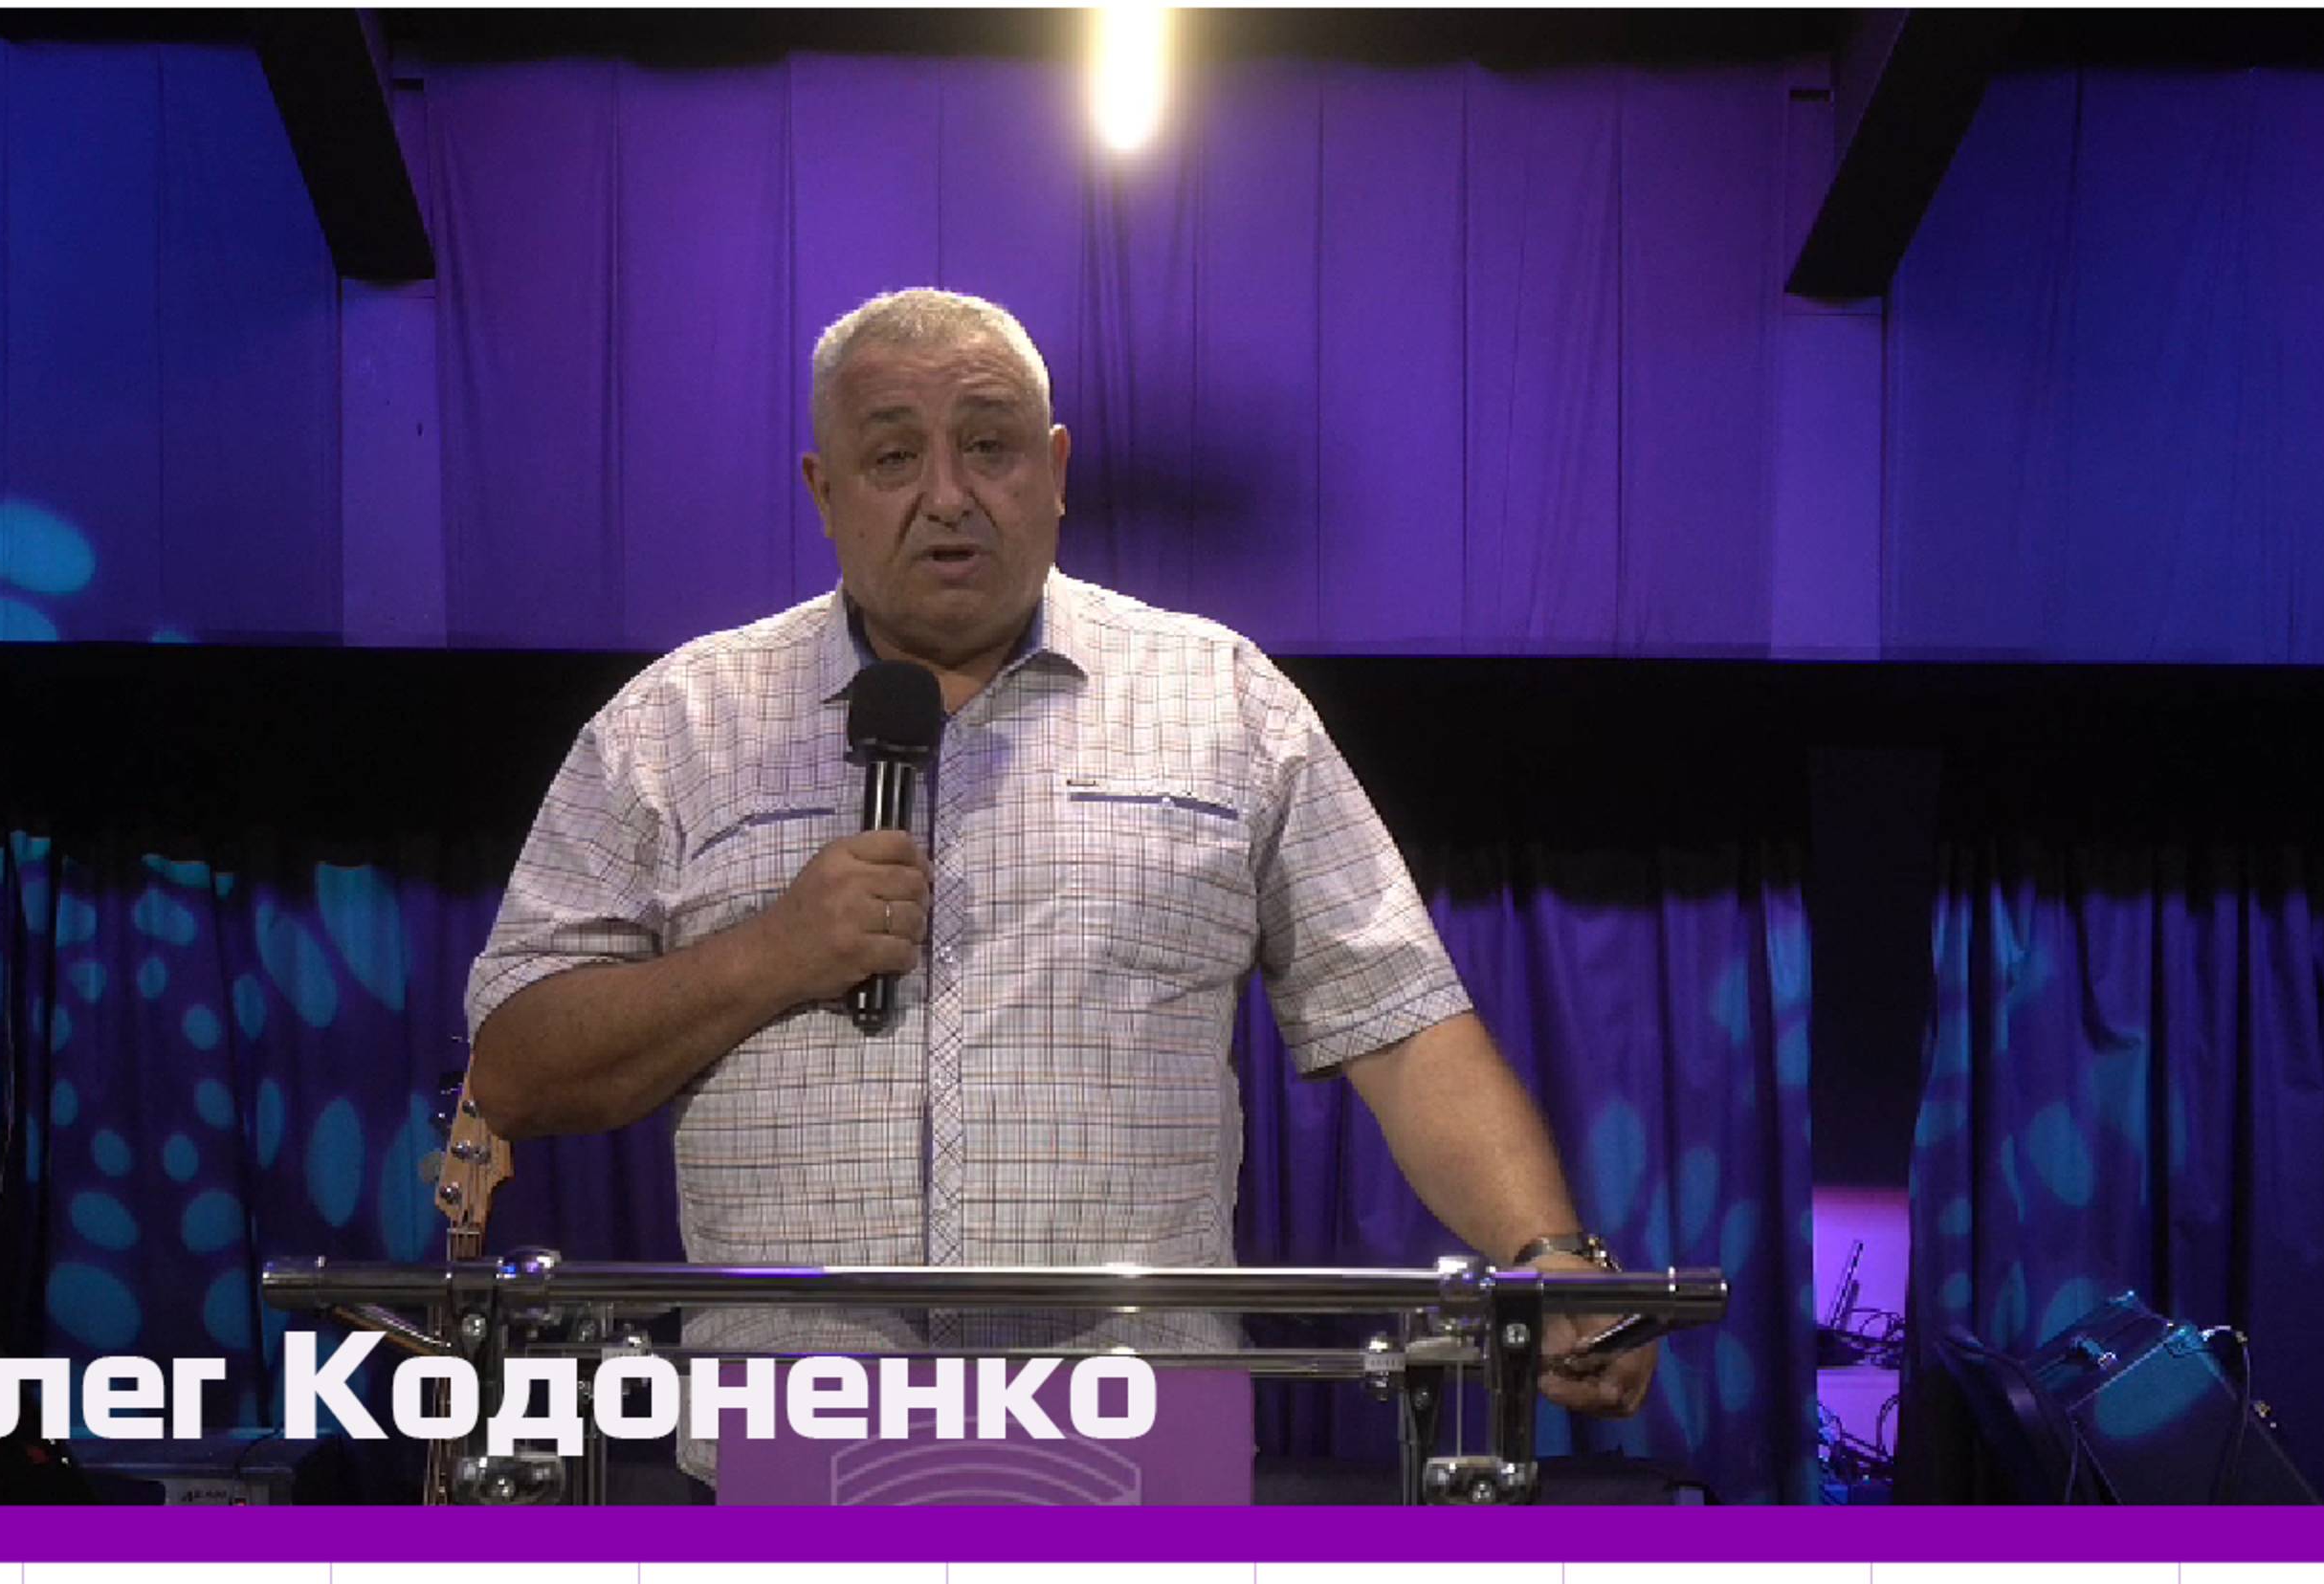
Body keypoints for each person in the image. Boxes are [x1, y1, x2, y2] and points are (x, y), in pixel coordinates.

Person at [463, 287, 1656, 1479]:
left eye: (989, 446)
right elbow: (514, 1067)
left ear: (1056, 470)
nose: (948, 495)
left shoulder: (1224, 702)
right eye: (894, 457)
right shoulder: (675, 727)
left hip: (1137, 1447)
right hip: (798, 1449)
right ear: (823, 492)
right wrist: (769, 956)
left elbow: (1400, 1027)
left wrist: (1545, 1254)